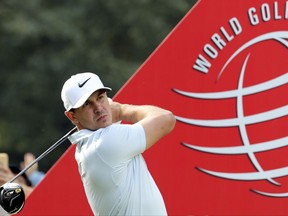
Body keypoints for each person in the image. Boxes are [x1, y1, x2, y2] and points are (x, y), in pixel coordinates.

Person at [61, 72, 176, 215]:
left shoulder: (90, 145)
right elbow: (166, 119)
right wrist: (122, 110)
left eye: (100, 98)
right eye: (87, 104)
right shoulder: (104, 142)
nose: (98, 108)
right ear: (72, 116)